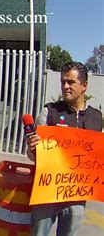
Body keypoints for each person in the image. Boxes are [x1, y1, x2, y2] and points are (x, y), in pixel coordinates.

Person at [26, 62, 102, 236]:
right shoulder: (49, 111)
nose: (65, 86)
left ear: (84, 86)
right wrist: (32, 148)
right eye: (62, 82)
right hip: (47, 191)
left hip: (77, 193)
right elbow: (31, 154)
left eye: (70, 82)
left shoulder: (96, 118)